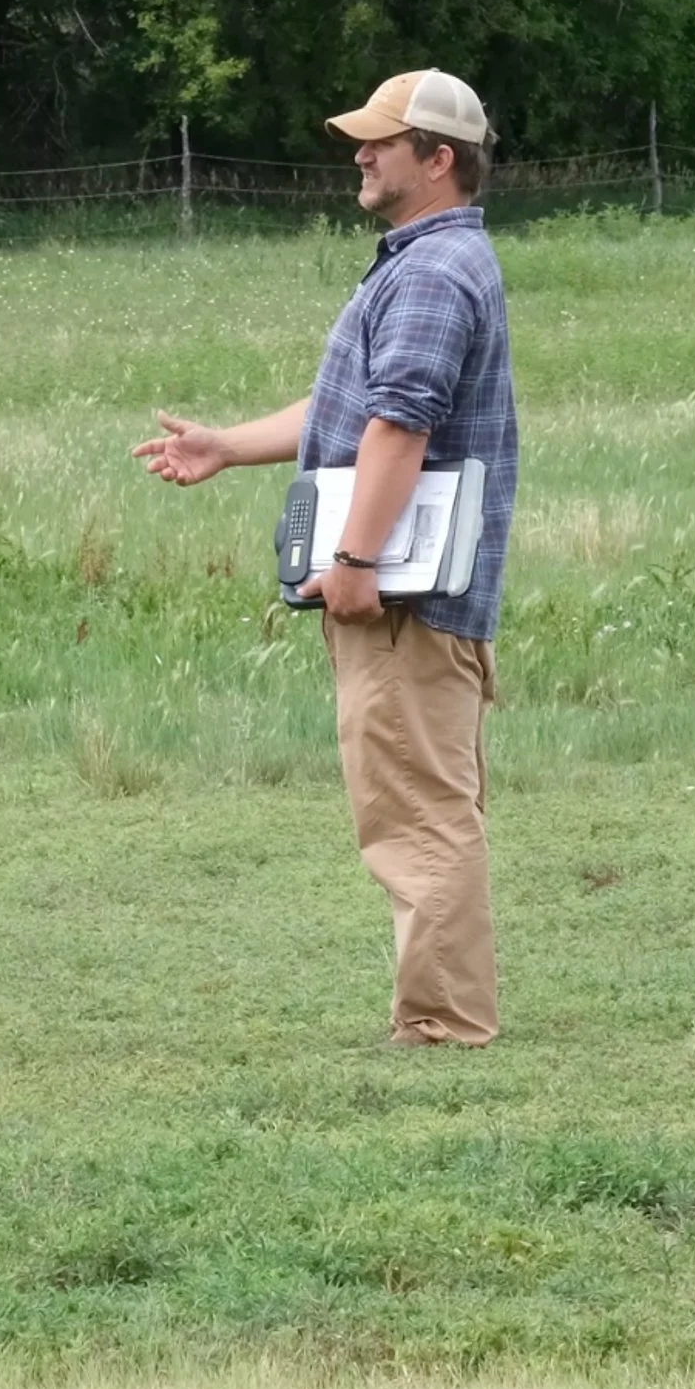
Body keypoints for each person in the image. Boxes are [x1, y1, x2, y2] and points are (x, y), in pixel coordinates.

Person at [133, 70, 517, 1047]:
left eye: (381, 141)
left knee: (418, 812)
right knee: (424, 801)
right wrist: (227, 444)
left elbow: (399, 426)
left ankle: (441, 1024)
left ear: (438, 159)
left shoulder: (429, 273)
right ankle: (443, 1011)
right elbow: (358, 406)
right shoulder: (431, 260)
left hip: (400, 603)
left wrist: (352, 558)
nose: (360, 153)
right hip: (407, 595)